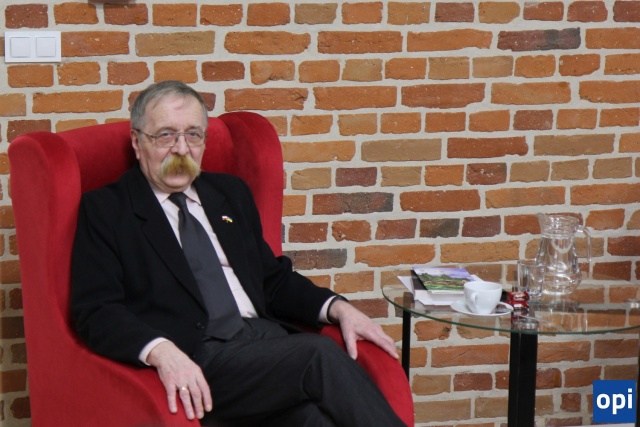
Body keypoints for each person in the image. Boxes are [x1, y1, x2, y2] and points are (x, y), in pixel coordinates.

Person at [71, 80, 407, 427]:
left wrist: (338, 308)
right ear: (137, 142)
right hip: (199, 354)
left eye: (193, 135)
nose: (181, 148)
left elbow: (271, 280)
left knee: (314, 420)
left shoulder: (228, 194)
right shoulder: (107, 210)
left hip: (264, 343)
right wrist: (160, 350)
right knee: (318, 355)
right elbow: (96, 311)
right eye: (166, 135)